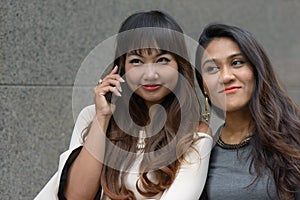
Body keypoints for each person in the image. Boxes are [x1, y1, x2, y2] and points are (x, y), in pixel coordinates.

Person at [35, 10, 213, 200]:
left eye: (162, 60)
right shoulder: (92, 117)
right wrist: (102, 118)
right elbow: (76, 196)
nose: (150, 74)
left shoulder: (194, 134)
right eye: (136, 61)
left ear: (179, 65)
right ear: (121, 69)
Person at [195, 23, 300, 200]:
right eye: (212, 68)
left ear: (256, 71)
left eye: (236, 63)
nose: (226, 76)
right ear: (204, 85)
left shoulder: (293, 139)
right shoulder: (201, 152)